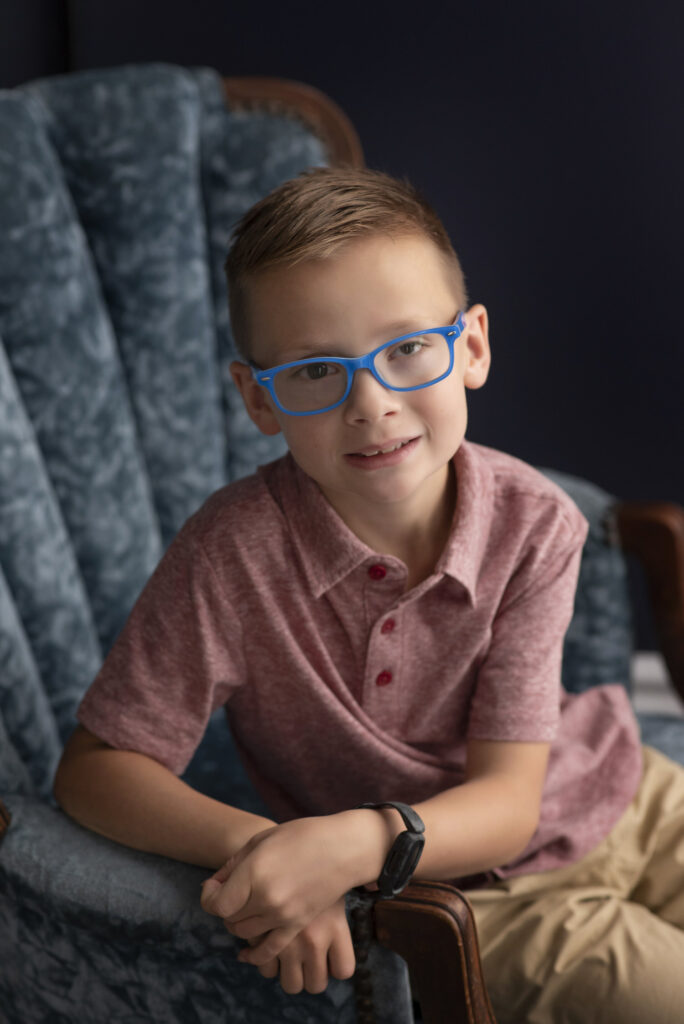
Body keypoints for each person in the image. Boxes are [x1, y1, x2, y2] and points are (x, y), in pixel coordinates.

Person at [54, 167, 684, 1023]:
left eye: (408, 348)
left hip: (622, 791)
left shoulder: (537, 522)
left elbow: (507, 801)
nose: (372, 403)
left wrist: (348, 841)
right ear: (258, 400)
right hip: (480, 903)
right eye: (316, 371)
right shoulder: (231, 554)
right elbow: (96, 772)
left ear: (472, 347)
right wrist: (268, 849)